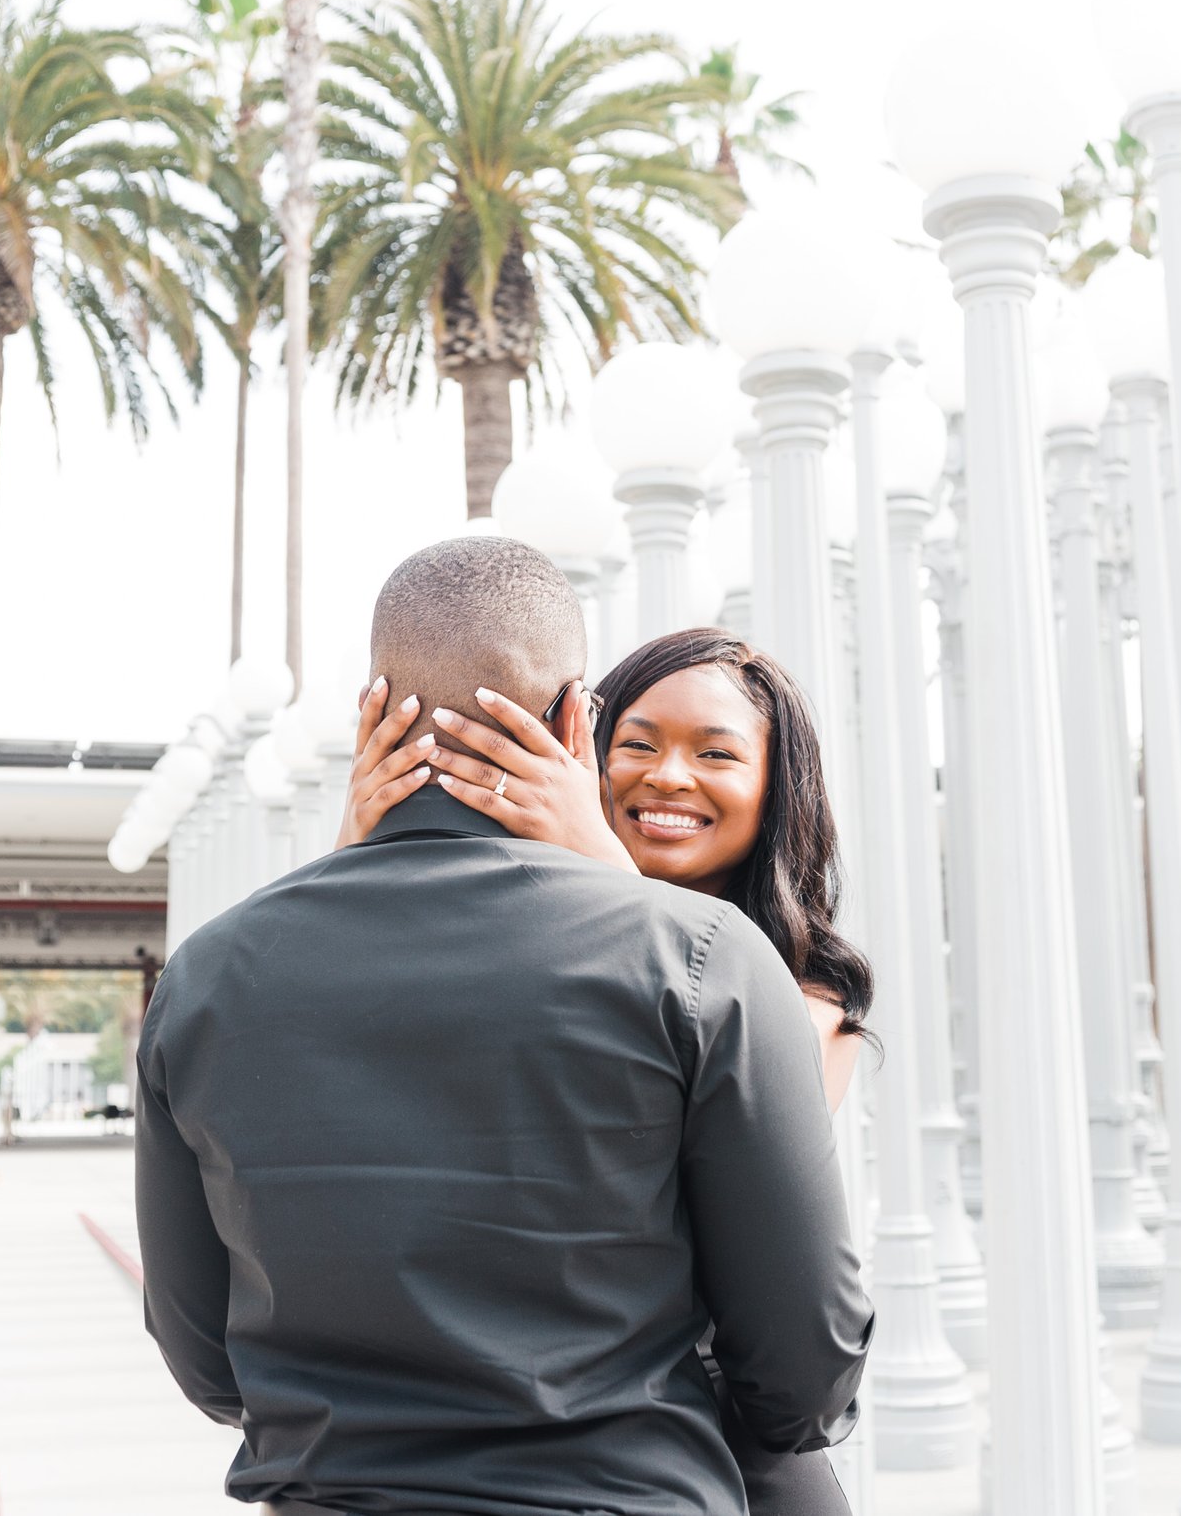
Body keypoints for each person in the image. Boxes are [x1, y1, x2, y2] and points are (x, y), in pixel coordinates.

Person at [136, 538, 870, 1516]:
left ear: (371, 713)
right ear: (579, 717)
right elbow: (804, 1368)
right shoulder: (702, 961)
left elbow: (205, 1357)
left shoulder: (209, 974)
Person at [338, 626, 875, 1512]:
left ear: (774, 790)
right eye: (636, 744)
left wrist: (605, 869)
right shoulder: (519, 946)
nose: (667, 776)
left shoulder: (803, 1000)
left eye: (716, 753)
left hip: (725, 1450)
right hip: (509, 1431)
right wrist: (364, 857)